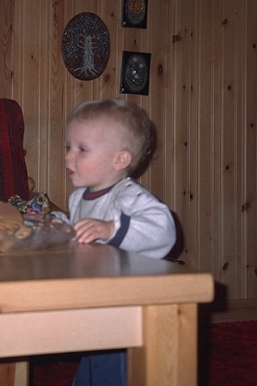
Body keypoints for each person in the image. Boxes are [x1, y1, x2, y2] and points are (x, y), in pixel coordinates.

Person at [53, 98, 176, 386]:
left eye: (81, 149)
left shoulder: (127, 195)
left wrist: (111, 229)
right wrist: (60, 227)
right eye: (68, 147)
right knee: (92, 365)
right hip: (98, 304)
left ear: (120, 160)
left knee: (115, 371)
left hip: (127, 311)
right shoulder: (79, 197)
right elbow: (82, 236)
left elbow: (164, 230)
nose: (69, 157)